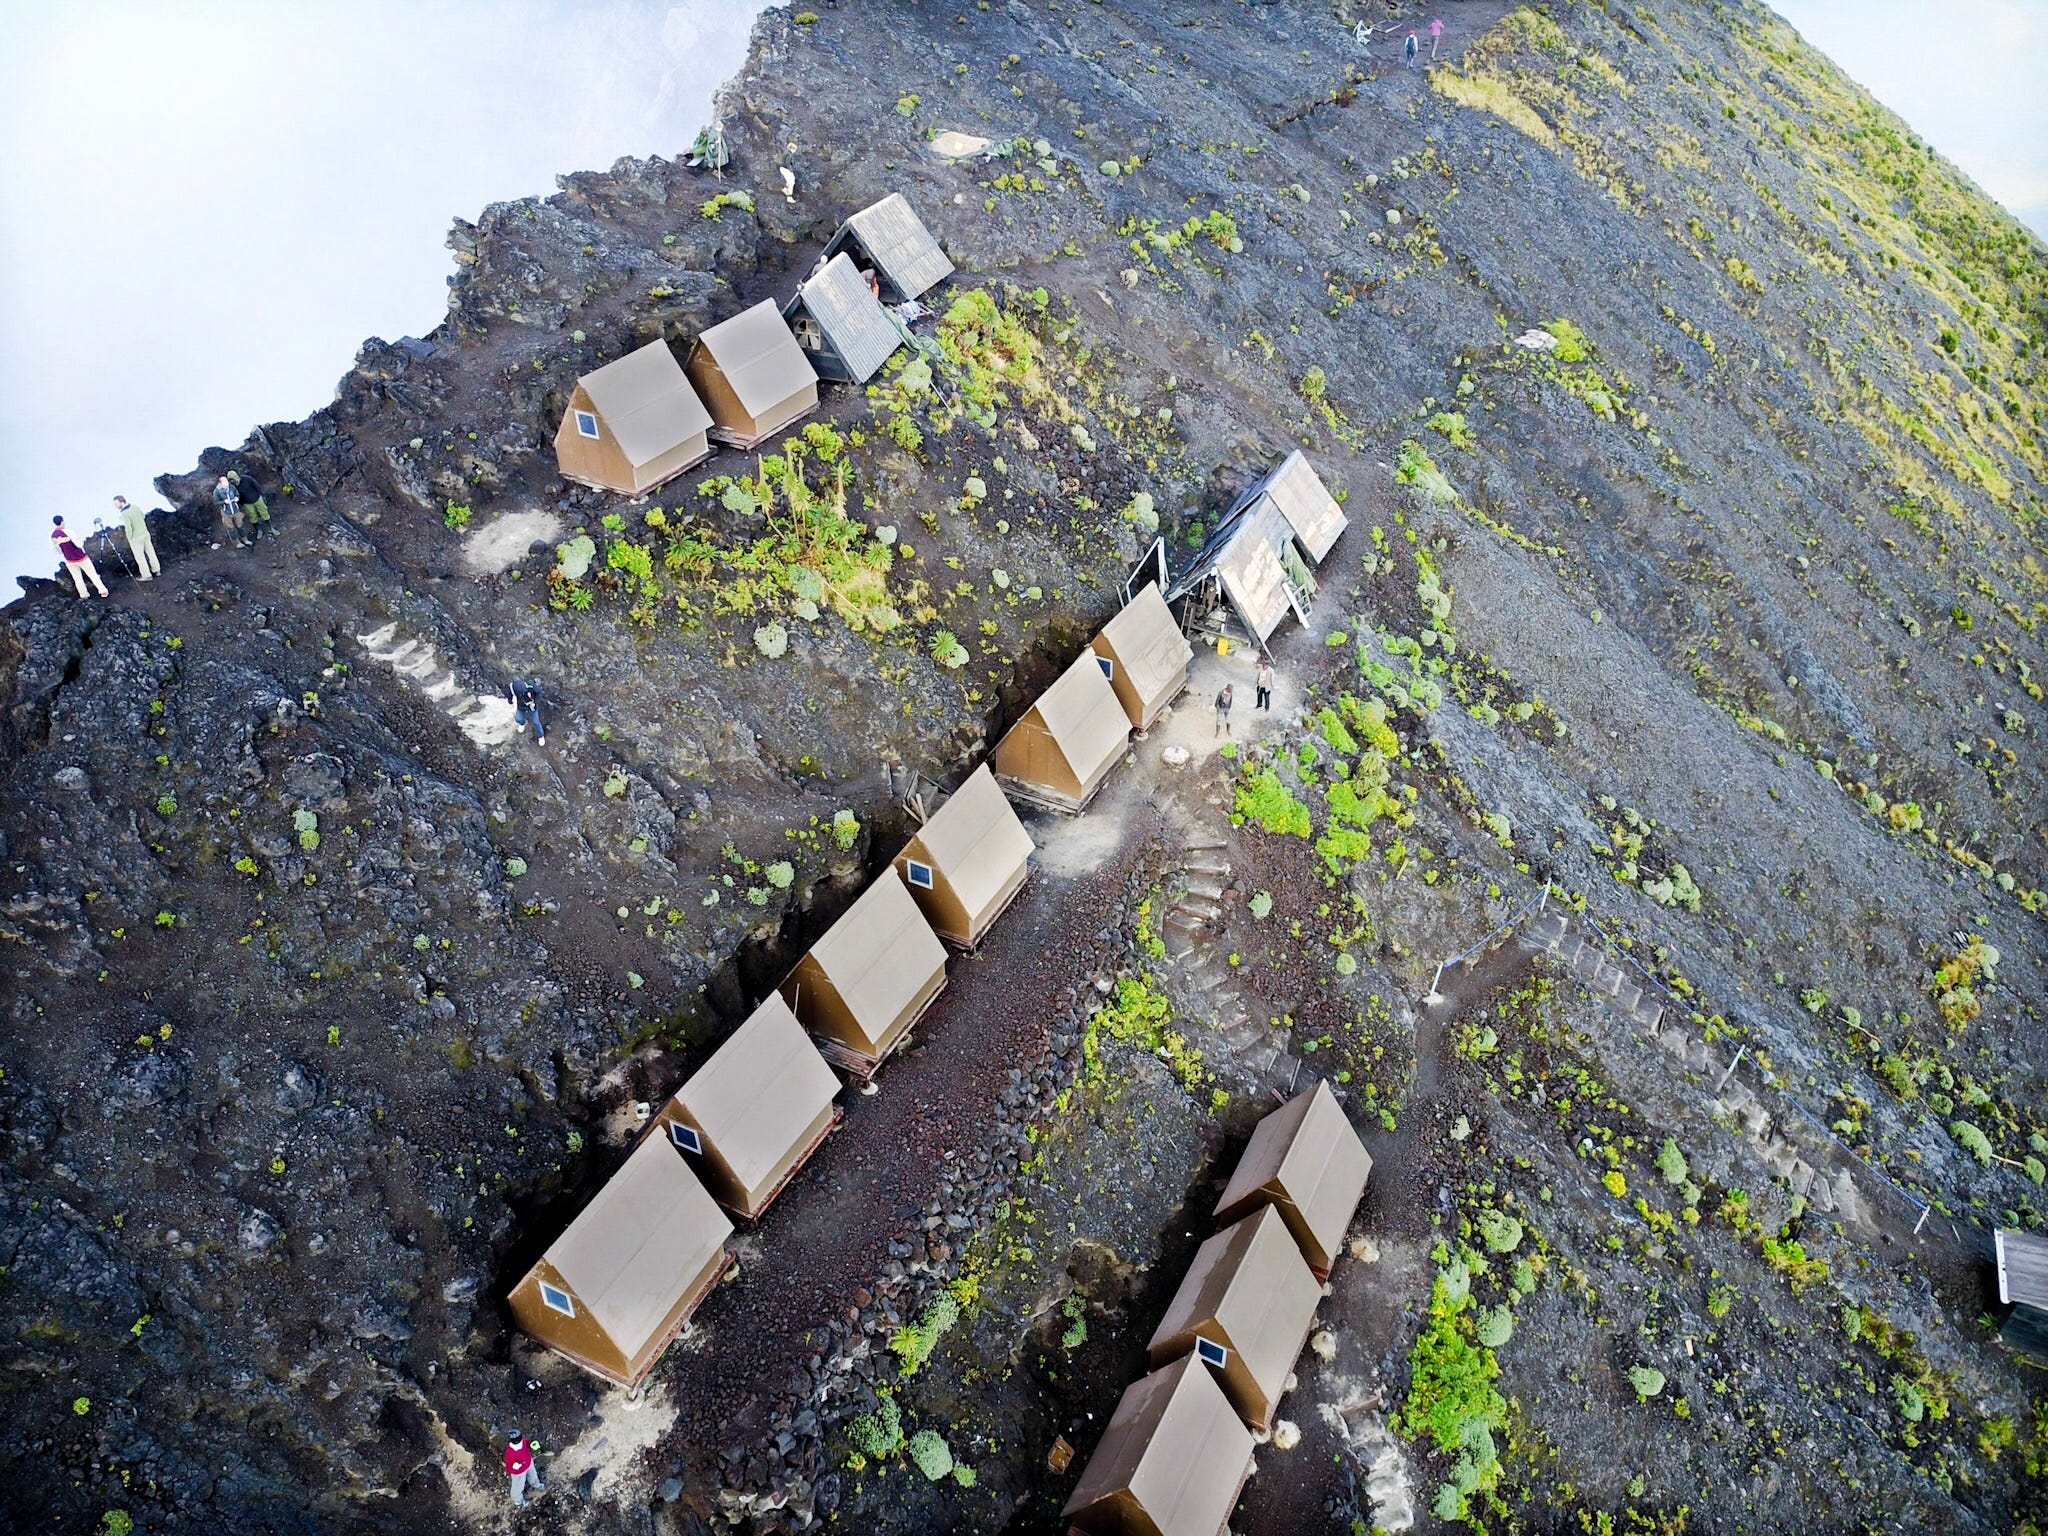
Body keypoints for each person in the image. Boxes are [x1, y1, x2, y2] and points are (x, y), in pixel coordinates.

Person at [51, 516, 109, 600]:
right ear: (62, 522)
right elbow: (79, 544)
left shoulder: (53, 535)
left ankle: (84, 595)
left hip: (69, 560)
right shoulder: (69, 532)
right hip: (81, 558)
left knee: (77, 578)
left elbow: (55, 549)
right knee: (93, 575)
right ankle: (103, 591)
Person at [113, 496, 162, 581]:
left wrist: (130, 538)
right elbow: (143, 516)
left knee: (140, 557)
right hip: (145, 533)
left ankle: (147, 575)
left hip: (136, 537)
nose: (115, 506)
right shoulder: (135, 507)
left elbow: (128, 528)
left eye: (116, 503)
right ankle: (157, 570)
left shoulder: (124, 514)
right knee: (151, 552)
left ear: (122, 502)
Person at [504, 1433, 545, 1507]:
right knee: (517, 1487)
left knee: (533, 1476)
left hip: (528, 1463)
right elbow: (508, 1468)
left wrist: (531, 1445)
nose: (520, 1442)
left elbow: (526, 1443)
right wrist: (513, 1467)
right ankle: (519, 1502)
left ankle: (537, 1486)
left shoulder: (522, 1440)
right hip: (519, 1472)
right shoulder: (509, 1452)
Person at [230, 469, 272, 538]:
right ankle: (258, 530)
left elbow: (256, 486)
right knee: (252, 516)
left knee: (264, 512)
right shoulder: (233, 487)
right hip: (247, 503)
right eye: (230, 480)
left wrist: (262, 495)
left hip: (257, 499)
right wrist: (241, 503)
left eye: (232, 479)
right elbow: (235, 496)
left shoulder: (247, 479)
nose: (232, 481)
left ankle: (270, 527)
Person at [214, 475, 251, 548]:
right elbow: (216, 502)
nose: (226, 483)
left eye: (226, 481)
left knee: (240, 525)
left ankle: (245, 539)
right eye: (224, 481)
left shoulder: (231, 487)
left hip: (235, 510)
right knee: (231, 528)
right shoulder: (217, 491)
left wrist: (237, 497)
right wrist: (224, 502)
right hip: (226, 512)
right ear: (220, 483)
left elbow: (237, 494)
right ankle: (237, 543)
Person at [507, 678, 546, 746]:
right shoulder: (515, 687)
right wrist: (510, 701)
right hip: (521, 705)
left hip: (532, 706)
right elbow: (510, 692)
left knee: (536, 722)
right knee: (518, 719)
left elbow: (539, 694)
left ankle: (541, 736)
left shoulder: (534, 688)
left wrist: (535, 703)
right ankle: (523, 723)